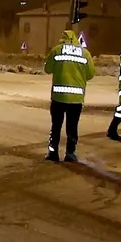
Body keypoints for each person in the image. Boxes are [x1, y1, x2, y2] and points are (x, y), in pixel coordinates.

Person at [44, 29, 96, 162]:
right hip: (76, 98)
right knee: (72, 127)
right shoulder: (85, 53)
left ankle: (53, 153)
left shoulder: (56, 50)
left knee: (56, 126)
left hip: (58, 97)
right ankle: (70, 153)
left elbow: (47, 69)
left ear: (63, 38)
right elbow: (90, 74)